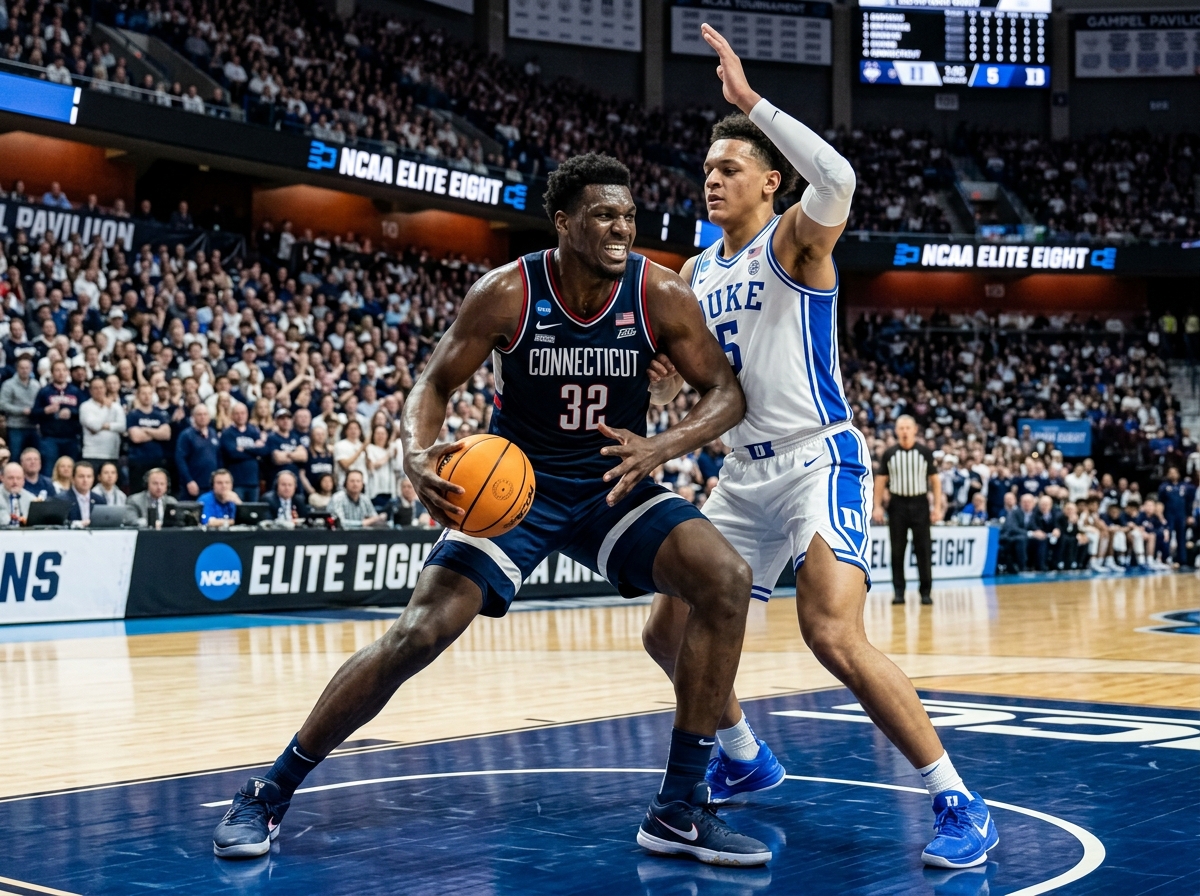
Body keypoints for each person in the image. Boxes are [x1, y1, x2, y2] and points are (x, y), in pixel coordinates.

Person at [212, 153, 766, 867]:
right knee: (418, 633)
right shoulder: (508, 291)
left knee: (724, 579)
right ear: (563, 223)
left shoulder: (659, 293)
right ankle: (268, 790)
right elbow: (435, 383)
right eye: (603, 214)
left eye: (627, 214)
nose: (620, 227)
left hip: (610, 481)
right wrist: (415, 451)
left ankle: (679, 810)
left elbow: (725, 393)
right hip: (519, 489)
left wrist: (662, 445)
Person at [637, 27, 996, 870]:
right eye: (706, 171)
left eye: (729, 169)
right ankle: (743, 757)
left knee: (830, 633)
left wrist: (750, 102)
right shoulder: (692, 273)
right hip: (739, 476)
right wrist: (657, 388)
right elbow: (689, 385)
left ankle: (957, 799)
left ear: (770, 181)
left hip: (815, 459)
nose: (712, 180)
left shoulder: (795, 241)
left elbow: (839, 177)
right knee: (665, 633)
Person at [875, 416, 942, 605]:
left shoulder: (924, 452)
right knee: (897, 551)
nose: (904, 431)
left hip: (920, 504)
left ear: (914, 430)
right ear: (896, 431)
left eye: (907, 428)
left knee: (924, 550)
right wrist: (877, 506)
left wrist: (937, 507)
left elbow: (935, 481)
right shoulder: (889, 453)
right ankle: (898, 592)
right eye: (901, 428)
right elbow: (880, 481)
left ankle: (926, 592)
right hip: (897, 505)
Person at [33, 359, 86, 465]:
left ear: (67, 372)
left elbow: (85, 411)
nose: (61, 373)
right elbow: (33, 414)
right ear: (52, 373)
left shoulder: (76, 391)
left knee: (71, 467)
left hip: (71, 437)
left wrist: (71, 412)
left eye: (63, 370)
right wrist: (45, 410)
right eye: (57, 370)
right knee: (49, 468)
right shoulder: (44, 391)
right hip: (50, 437)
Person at [125, 383, 173, 492]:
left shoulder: (159, 415)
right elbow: (136, 437)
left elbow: (166, 435)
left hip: (157, 460)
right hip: (138, 461)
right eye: (143, 393)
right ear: (138, 395)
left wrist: (145, 429)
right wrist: (157, 433)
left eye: (149, 393)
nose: (147, 396)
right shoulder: (133, 415)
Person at [220, 403, 270, 501]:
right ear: (232, 415)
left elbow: (264, 450)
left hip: (253, 481)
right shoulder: (227, 433)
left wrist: (244, 449)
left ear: (247, 414)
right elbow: (232, 453)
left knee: (253, 512)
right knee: (238, 511)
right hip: (237, 481)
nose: (240, 416)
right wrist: (254, 449)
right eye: (237, 413)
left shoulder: (253, 431)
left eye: (243, 413)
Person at [80, 376, 126, 472]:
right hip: (92, 454)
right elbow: (94, 426)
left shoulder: (115, 406)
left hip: (112, 453)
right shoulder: (85, 406)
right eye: (95, 388)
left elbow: (122, 426)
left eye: (101, 387)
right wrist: (105, 408)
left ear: (105, 389)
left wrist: (105, 426)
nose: (99, 390)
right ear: (90, 390)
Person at [176, 404, 222, 499]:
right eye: (199, 414)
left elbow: (218, 458)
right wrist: (189, 480)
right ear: (193, 417)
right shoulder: (186, 435)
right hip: (193, 485)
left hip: (211, 485)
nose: (203, 417)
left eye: (205, 414)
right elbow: (180, 459)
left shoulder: (213, 433)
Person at [0, 356, 40, 458]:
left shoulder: (36, 385)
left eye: (27, 368)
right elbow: (3, 404)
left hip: (33, 426)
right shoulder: (8, 384)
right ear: (17, 368)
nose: (24, 370)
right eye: (22, 368)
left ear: (31, 369)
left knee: (34, 456)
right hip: (15, 426)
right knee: (15, 455)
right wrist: (21, 411)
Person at [1157, 466, 1195, 569]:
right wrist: (1160, 515)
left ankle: (1182, 560)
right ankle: (1166, 559)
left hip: (1181, 515)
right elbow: (1160, 502)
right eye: (1170, 472)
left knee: (1181, 538)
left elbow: (1189, 503)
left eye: (1175, 472)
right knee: (1167, 537)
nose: (1173, 474)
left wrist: (1189, 515)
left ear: (1178, 474)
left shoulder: (1184, 486)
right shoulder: (1164, 487)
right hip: (1169, 515)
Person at [264, 408, 307, 486]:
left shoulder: (295, 437)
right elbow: (278, 458)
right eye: (282, 418)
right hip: (277, 479)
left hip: (294, 478)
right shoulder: (272, 437)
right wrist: (294, 455)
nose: (285, 421)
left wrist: (287, 455)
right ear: (276, 421)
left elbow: (303, 456)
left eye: (288, 418)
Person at [300, 424, 334, 497]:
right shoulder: (307, 452)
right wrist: (310, 490)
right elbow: (302, 474)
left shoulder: (330, 453)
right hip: (312, 492)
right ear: (312, 436)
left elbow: (333, 473)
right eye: (317, 434)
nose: (320, 436)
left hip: (327, 493)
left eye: (322, 434)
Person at [332, 418, 368, 487]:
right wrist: (361, 450)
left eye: (356, 428)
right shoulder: (340, 445)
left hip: (362, 482)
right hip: (344, 482)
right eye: (350, 428)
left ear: (360, 431)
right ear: (346, 431)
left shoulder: (362, 445)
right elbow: (345, 465)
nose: (353, 431)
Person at [0, 461, 33, 527]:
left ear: (23, 479)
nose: (15, 482)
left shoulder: (31, 499)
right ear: (2, 478)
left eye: (18, 478)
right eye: (11, 478)